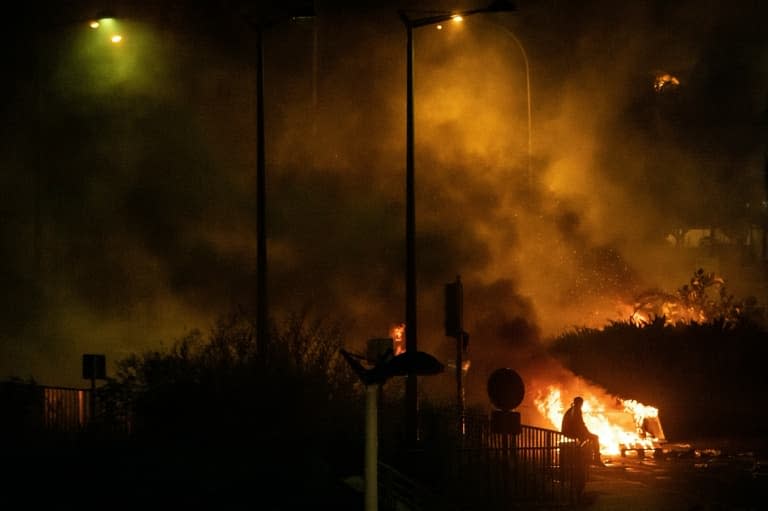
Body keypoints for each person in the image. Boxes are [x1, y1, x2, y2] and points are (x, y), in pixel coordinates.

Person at [561, 396, 605, 467]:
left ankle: (581, 455)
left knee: (585, 440)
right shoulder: (576, 410)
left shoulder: (572, 409)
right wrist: (586, 432)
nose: (582, 405)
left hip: (569, 431)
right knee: (595, 437)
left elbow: (579, 423)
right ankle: (596, 459)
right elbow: (579, 423)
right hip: (573, 432)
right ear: (580, 403)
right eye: (581, 403)